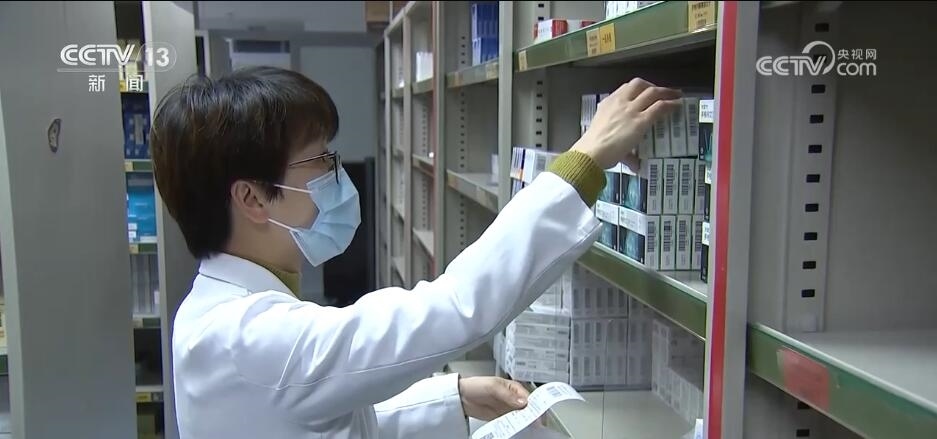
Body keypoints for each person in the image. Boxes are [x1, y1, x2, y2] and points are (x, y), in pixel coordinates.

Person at [150, 66, 680, 439]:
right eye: (318, 162)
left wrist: (453, 397)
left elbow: (327, 421)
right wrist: (585, 161)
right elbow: (455, 307)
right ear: (251, 198)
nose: (336, 175)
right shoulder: (249, 338)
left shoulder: (224, 318)